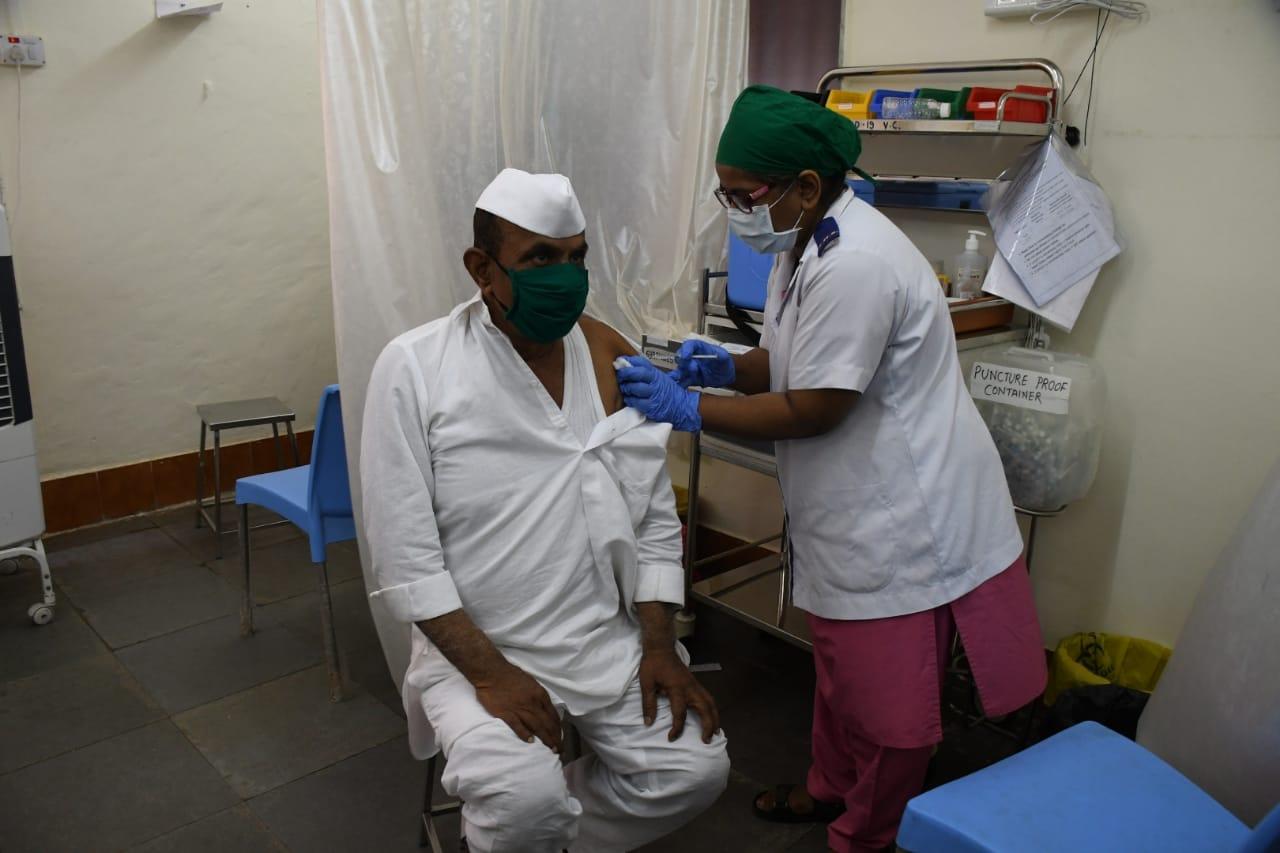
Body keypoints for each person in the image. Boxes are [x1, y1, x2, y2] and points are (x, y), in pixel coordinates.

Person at [616, 86, 1047, 853]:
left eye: (741, 194)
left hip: (907, 522)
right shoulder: (803, 241)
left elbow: (814, 407)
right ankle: (829, 789)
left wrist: (688, 408)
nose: (734, 208)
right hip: (850, 508)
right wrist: (730, 368)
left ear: (805, 186)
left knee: (893, 715)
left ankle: (864, 832)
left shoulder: (858, 263)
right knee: (842, 675)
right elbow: (789, 361)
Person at [362, 168, 729, 853]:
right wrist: (491, 673)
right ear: (482, 268)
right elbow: (406, 557)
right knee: (522, 799)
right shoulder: (416, 368)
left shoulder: (601, 352)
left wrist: (659, 642)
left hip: (601, 636)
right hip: (477, 648)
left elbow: (652, 518)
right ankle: (529, 827)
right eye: (539, 259)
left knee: (694, 768)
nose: (565, 277)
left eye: (576, 257)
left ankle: (546, 838)